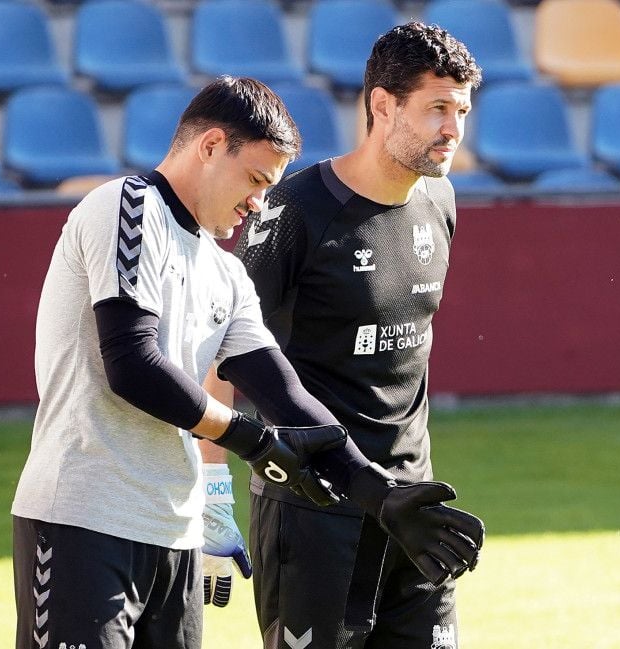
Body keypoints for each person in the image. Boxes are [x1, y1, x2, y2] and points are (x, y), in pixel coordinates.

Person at [11, 75, 483, 649]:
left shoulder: (226, 273)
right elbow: (132, 363)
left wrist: (380, 494)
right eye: (256, 179)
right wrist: (251, 442)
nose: (260, 202)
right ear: (211, 147)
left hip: (174, 539)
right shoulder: (125, 206)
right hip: (83, 521)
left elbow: (288, 397)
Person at [203, 22, 484, 649]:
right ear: (382, 105)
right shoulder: (290, 212)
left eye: (461, 109)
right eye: (436, 107)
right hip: (311, 509)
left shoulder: (440, 201)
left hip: (414, 507)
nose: (453, 128)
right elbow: (222, 353)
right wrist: (212, 493)